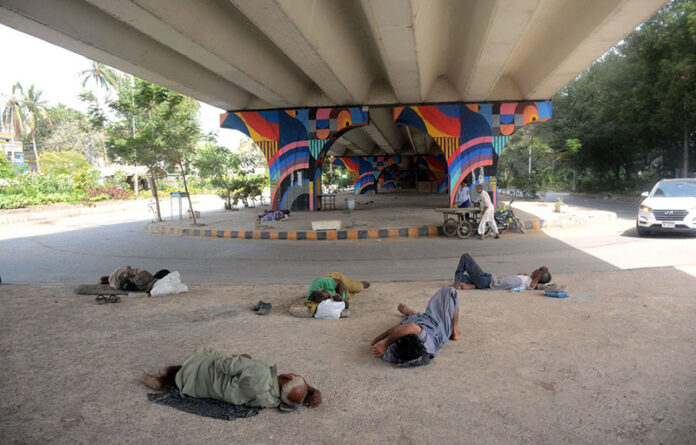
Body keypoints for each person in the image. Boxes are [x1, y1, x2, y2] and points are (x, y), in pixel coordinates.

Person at [142, 346, 322, 411]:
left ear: (287, 375)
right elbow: (292, 397)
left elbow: (223, 365)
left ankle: (163, 379)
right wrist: (310, 391)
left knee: (211, 362)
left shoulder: (259, 371)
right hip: (206, 392)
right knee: (238, 368)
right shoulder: (270, 401)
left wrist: (239, 358)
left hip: (199, 377)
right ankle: (163, 381)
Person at [370, 286, 461, 367]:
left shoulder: (390, 354)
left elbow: (396, 331)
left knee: (407, 323)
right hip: (435, 326)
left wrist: (381, 341)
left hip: (412, 321)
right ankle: (455, 330)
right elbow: (411, 327)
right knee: (450, 291)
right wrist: (385, 343)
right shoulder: (427, 345)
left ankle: (413, 314)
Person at [453, 253, 551, 290]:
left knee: (465, 257)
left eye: (537, 271)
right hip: (487, 283)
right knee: (465, 277)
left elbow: (534, 284)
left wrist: (541, 274)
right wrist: (520, 275)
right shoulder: (527, 279)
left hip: (488, 280)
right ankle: (473, 286)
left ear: (539, 277)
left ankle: (457, 284)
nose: (535, 270)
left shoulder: (530, 283)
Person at [305, 272, 370, 315]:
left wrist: (340, 296)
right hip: (345, 295)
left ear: (322, 290)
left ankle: (362, 284)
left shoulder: (321, 282)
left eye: (328, 296)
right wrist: (341, 300)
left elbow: (339, 282)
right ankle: (351, 292)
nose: (329, 297)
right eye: (327, 298)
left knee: (357, 287)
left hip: (340, 283)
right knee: (353, 294)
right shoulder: (314, 301)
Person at [99, 266, 170, 292]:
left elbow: (131, 272)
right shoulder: (150, 285)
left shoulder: (147, 276)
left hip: (119, 276)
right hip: (119, 278)